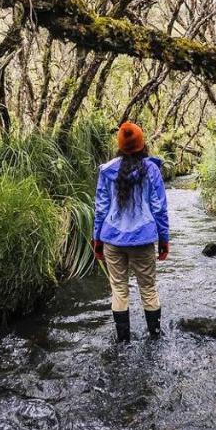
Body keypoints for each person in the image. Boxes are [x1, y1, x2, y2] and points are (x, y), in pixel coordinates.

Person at [92, 121, 169, 341]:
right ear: (142, 144)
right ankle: (155, 338)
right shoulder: (151, 170)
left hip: (112, 239)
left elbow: (101, 208)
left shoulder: (107, 171)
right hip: (143, 239)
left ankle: (123, 340)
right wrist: (164, 239)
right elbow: (159, 208)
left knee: (119, 289)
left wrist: (97, 239)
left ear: (120, 145)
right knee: (148, 289)